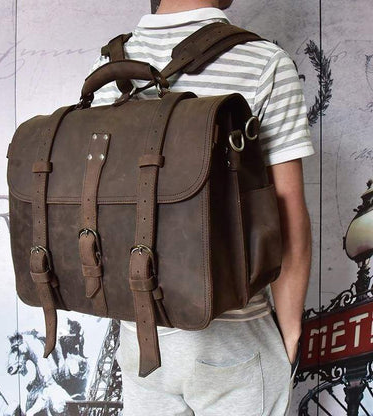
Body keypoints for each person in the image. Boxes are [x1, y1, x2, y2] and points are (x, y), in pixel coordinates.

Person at [89, 0, 315, 414]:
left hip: (139, 339)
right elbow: (288, 214)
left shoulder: (111, 67)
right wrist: (291, 334)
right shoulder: (264, 62)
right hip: (234, 339)